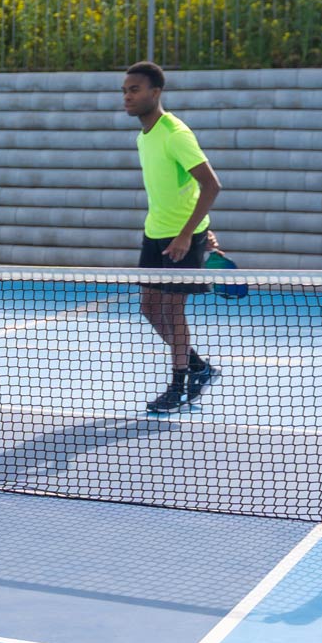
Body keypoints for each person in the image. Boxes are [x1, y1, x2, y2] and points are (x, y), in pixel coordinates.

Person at [122, 60, 223, 415]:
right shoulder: (143, 136)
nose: (127, 97)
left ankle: (179, 385)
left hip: (181, 238)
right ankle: (199, 367)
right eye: (125, 91)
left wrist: (189, 235)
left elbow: (211, 184)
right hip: (156, 233)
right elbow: (180, 189)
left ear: (155, 92)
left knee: (171, 309)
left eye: (134, 90)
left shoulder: (176, 133)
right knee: (149, 307)